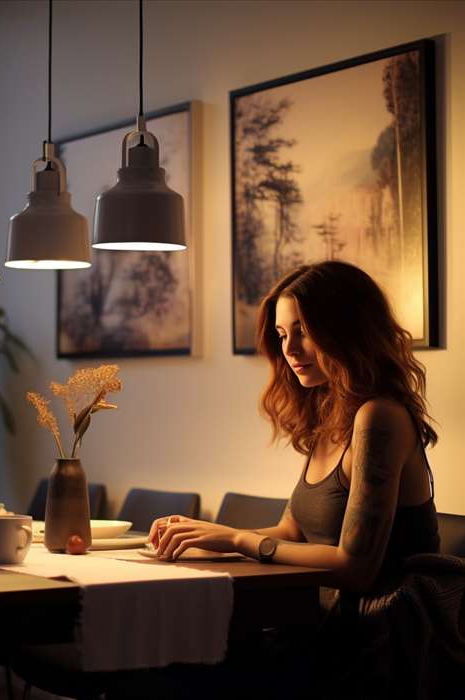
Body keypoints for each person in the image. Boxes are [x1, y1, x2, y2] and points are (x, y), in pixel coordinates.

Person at [147, 261, 451, 699]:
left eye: (303, 330)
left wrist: (237, 541)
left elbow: (357, 568)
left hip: (373, 642)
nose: (290, 349)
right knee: (164, 657)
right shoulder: (330, 413)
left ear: (347, 328)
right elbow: (293, 530)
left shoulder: (378, 416)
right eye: (283, 335)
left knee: (166, 669)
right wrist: (207, 537)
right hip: (320, 623)